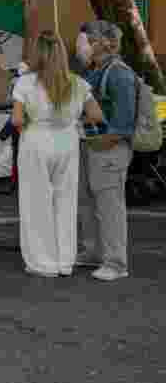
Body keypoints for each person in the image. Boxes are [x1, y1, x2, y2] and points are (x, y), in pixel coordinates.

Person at [11, 31, 104, 278]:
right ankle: (65, 261)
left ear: (37, 53)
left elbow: (17, 119)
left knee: (36, 202)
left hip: (36, 139)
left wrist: (30, 127)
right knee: (66, 201)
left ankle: (43, 262)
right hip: (68, 140)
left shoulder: (26, 83)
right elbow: (97, 116)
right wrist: (73, 120)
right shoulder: (79, 83)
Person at [76, 20, 138, 281]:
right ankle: (93, 252)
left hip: (108, 149)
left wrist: (101, 142)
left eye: (85, 40)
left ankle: (116, 262)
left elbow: (124, 123)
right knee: (88, 202)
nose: (80, 45)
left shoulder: (119, 74)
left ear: (102, 43)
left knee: (109, 206)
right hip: (93, 145)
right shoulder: (95, 70)